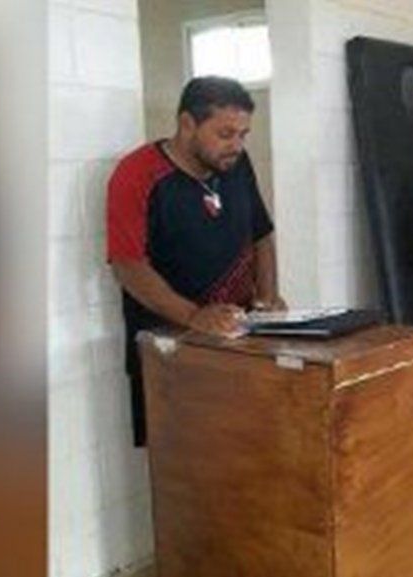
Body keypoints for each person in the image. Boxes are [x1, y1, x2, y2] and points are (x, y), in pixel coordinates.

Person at [106, 76, 285, 447]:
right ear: (187, 123)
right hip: (172, 352)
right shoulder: (137, 174)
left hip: (239, 340)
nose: (236, 145)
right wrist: (193, 316)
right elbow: (128, 266)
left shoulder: (236, 164)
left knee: (253, 451)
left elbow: (261, 232)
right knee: (189, 469)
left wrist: (268, 298)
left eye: (243, 134)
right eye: (225, 134)